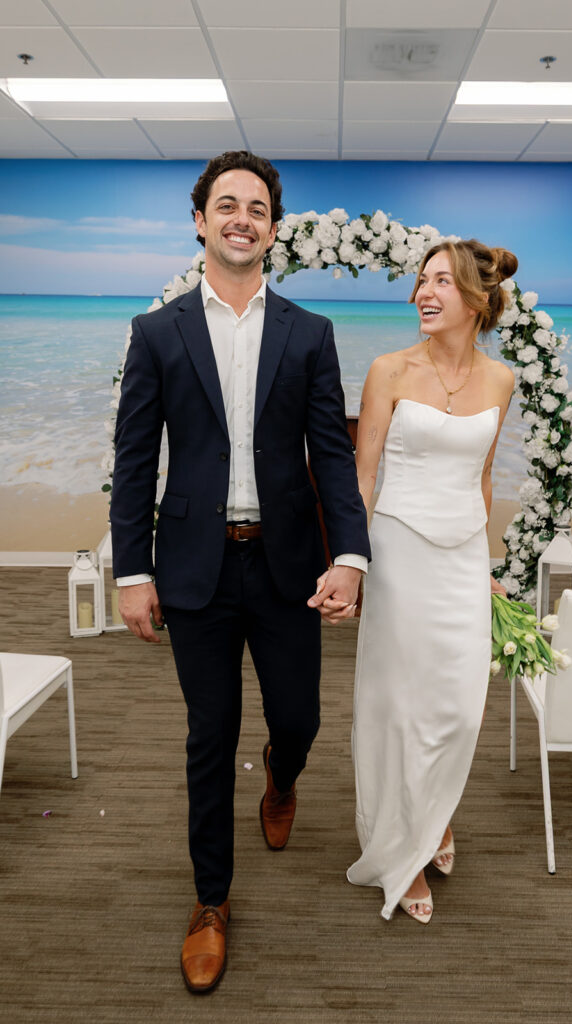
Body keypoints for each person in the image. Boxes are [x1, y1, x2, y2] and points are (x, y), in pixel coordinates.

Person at [110, 150, 370, 990]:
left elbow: (332, 456)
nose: (241, 219)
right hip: (196, 569)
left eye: (256, 208)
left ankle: (282, 776)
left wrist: (351, 557)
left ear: (272, 229)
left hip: (289, 563)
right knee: (206, 736)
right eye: (226, 205)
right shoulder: (156, 333)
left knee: (299, 719)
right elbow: (135, 455)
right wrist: (129, 571)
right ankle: (211, 901)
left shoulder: (310, 334)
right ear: (200, 221)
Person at [346, 239, 516, 923]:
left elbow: (481, 476)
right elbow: (361, 476)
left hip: (461, 557)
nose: (423, 292)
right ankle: (407, 848)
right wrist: (352, 565)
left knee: (459, 706)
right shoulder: (388, 370)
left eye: (440, 281)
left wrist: (487, 568)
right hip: (399, 554)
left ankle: (436, 810)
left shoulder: (500, 380)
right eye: (420, 281)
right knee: (404, 708)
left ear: (474, 299)